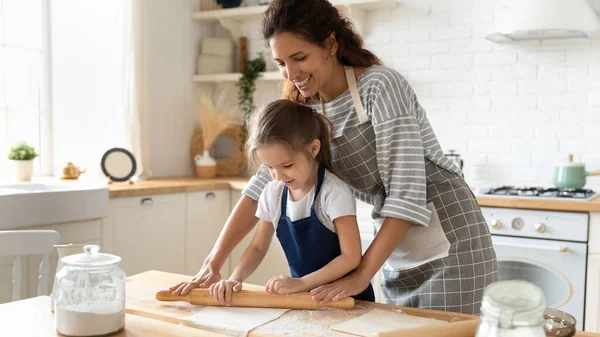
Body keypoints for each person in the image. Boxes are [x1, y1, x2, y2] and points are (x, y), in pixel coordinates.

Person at [171, 0, 497, 314]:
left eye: (299, 57)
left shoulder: (379, 86)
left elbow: (407, 193)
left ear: (330, 44)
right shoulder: (305, 109)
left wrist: (359, 276)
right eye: (281, 63)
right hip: (396, 249)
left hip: (453, 241)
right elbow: (261, 187)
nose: (291, 73)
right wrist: (213, 263)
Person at [206, 99, 375, 305]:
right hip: (306, 300)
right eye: (269, 167)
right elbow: (258, 247)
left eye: (287, 165)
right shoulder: (273, 193)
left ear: (313, 149)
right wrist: (234, 279)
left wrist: (301, 282)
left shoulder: (333, 193)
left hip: (348, 299)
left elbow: (351, 257)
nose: (278, 175)